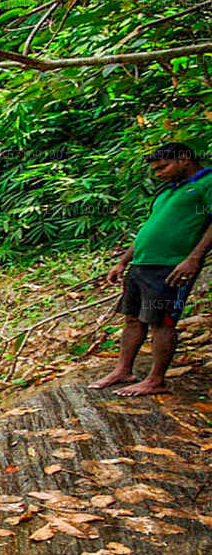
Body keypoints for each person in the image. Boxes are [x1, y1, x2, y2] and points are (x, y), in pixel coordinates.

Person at [91, 142, 212, 396]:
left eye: (163, 167)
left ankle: (156, 380)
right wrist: (123, 261)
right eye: (156, 170)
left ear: (185, 159)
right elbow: (149, 229)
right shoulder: (169, 192)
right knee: (133, 318)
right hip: (141, 264)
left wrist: (193, 259)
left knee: (162, 322)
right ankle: (123, 369)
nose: (159, 173)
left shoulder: (206, 183)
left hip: (170, 266)